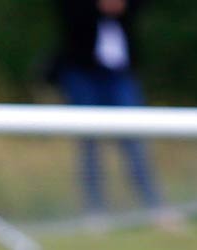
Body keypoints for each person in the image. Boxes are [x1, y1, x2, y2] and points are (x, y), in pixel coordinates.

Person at [49, 0, 161, 218]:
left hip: (120, 72)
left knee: (134, 139)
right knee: (89, 143)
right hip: (81, 71)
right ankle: (95, 212)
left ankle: (155, 208)